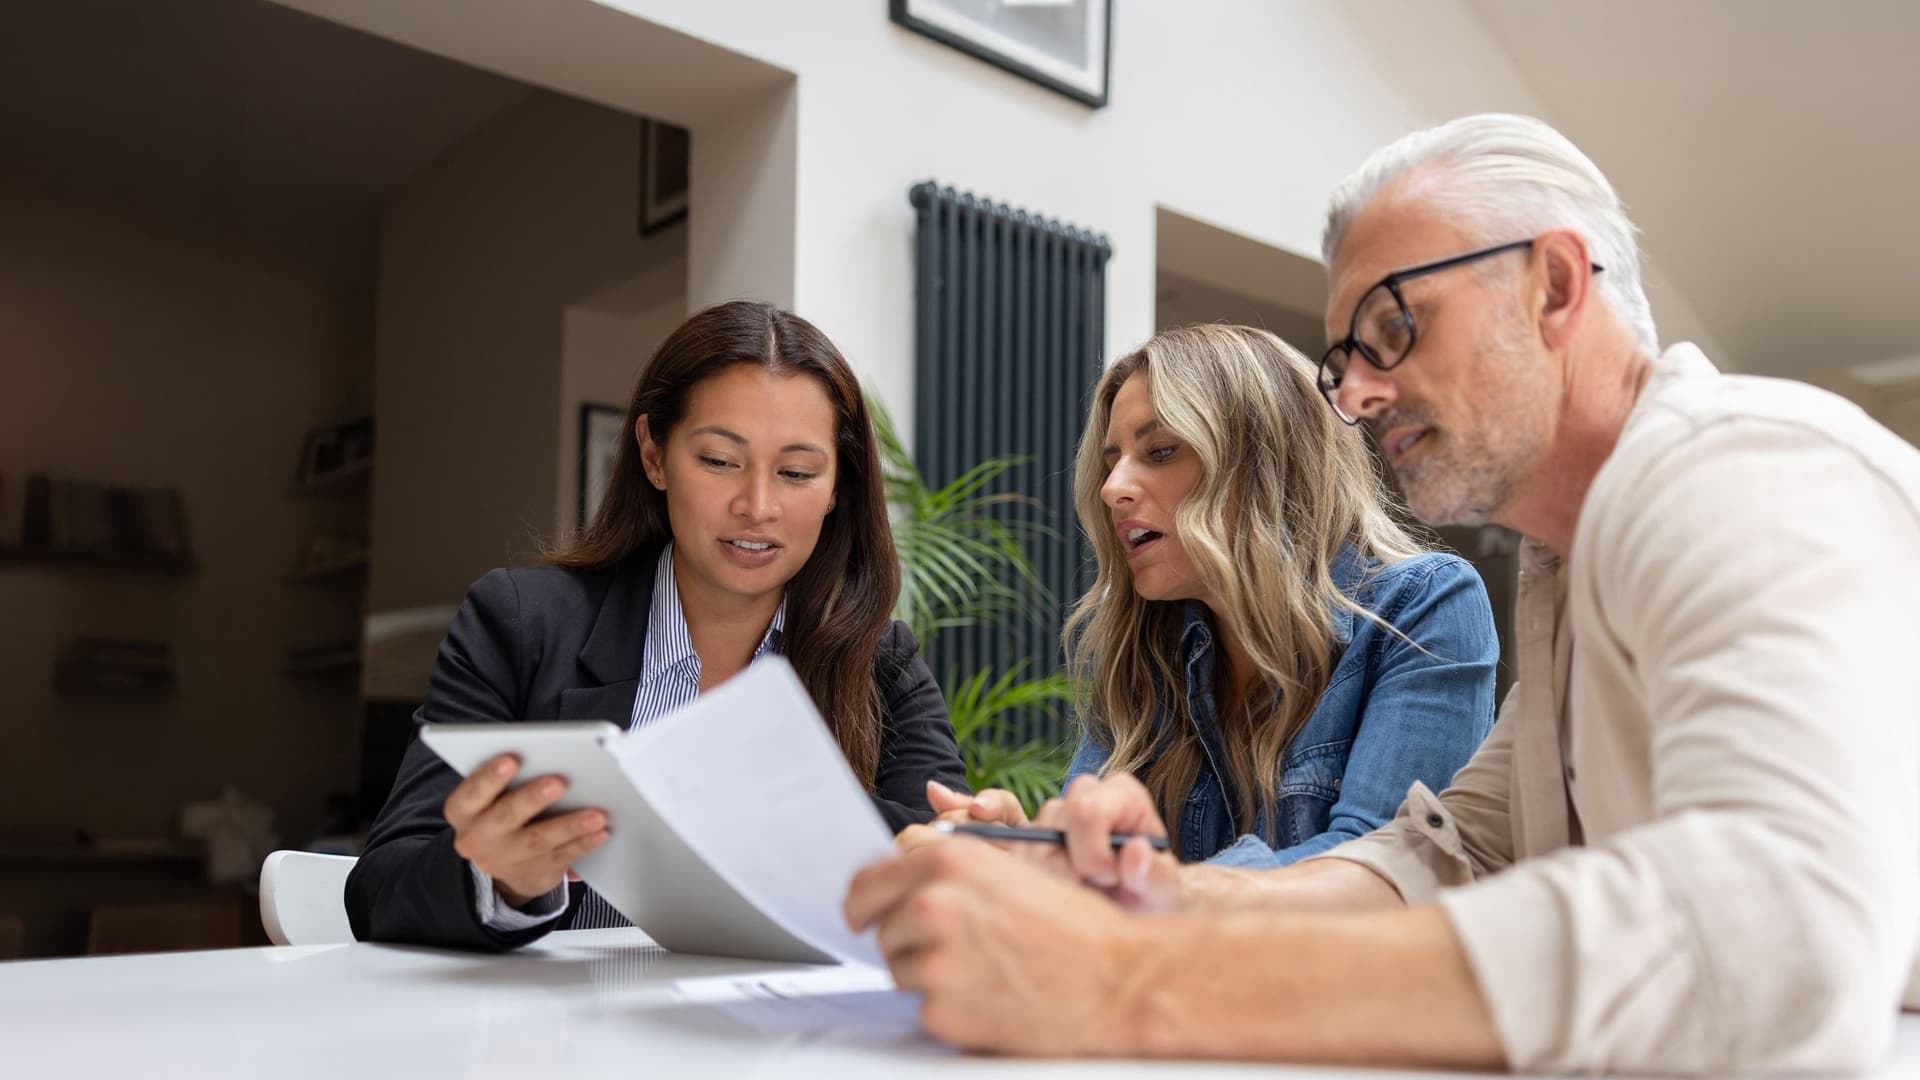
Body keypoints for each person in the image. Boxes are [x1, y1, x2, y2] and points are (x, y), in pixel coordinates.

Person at [846, 113, 1920, 1075]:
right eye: (1347, 356)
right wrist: (1159, 894)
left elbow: (1780, 935)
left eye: (1394, 327)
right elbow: (1449, 850)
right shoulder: (1566, 575)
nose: (1356, 394)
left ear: (1554, 285)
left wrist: (1132, 977)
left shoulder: (1742, 469)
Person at [349, 300, 967, 951]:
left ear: (837, 485)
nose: (757, 506)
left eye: (796, 473)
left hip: (782, 1013)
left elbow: (945, 859)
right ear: (654, 454)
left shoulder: (881, 660)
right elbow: (378, 890)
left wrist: (969, 849)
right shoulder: (521, 623)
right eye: (720, 460)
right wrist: (498, 879)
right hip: (558, 1015)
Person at [924, 324, 1497, 870]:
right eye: (1112, 461)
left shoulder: (1423, 605)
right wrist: (1029, 855)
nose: (1111, 488)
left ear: (1267, 463)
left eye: (1160, 451)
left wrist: (1156, 886)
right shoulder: (1141, 646)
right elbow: (1097, 868)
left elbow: (1380, 869)